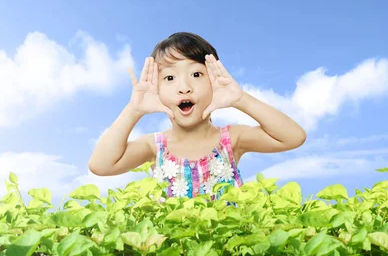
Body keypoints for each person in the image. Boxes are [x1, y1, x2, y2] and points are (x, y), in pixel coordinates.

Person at [88, 32, 306, 201]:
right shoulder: (154, 147)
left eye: (196, 74)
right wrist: (134, 109)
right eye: (170, 77)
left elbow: (293, 137)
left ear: (214, 81)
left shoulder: (231, 139)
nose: (184, 88)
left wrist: (239, 98)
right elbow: (101, 165)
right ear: (157, 88)